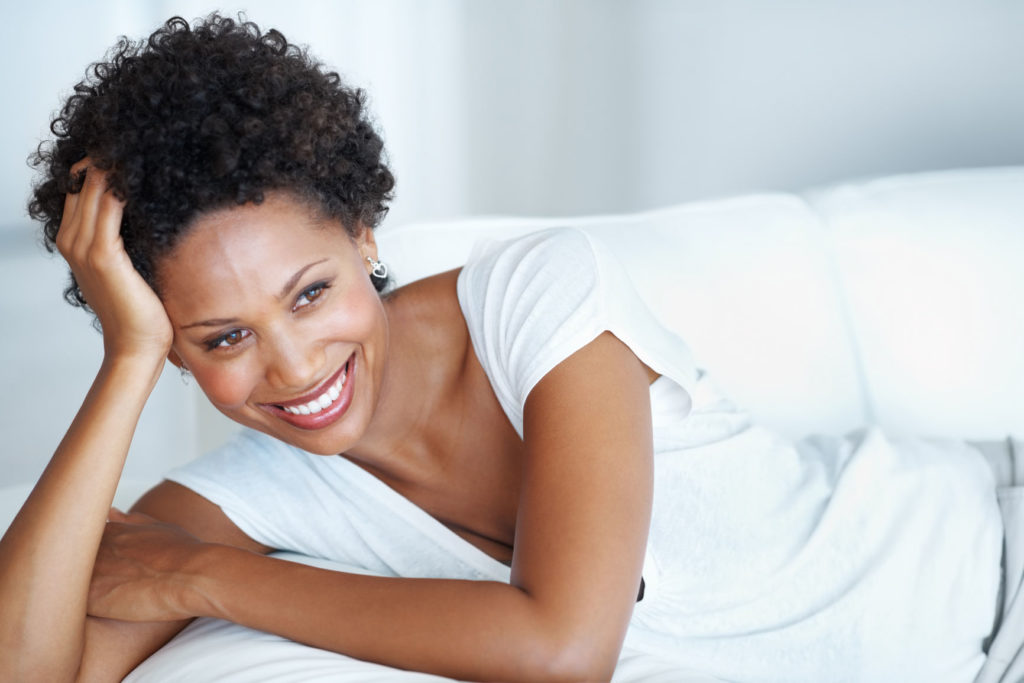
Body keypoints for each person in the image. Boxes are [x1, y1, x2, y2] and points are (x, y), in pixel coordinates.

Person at [0, 13, 1009, 683]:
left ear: (363, 232)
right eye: (222, 336)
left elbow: (565, 646)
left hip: (989, 558)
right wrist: (125, 357)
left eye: (310, 293)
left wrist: (209, 580)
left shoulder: (535, 295)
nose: (296, 365)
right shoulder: (245, 497)